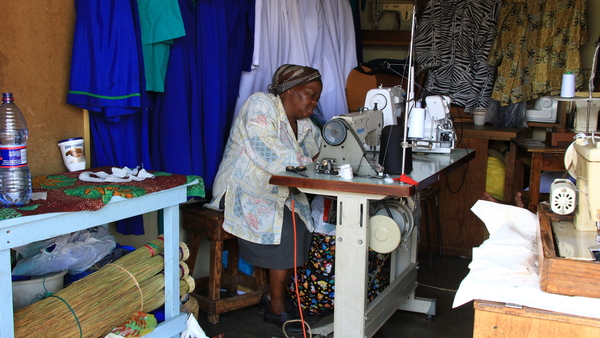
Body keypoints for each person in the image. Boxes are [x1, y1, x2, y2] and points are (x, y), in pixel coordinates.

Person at [207, 64, 323, 332]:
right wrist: (311, 164)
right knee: (284, 225)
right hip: (241, 188)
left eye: (317, 96)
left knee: (303, 220)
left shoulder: (306, 126)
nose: (315, 102)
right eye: (310, 94)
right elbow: (267, 149)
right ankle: (276, 307)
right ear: (290, 91)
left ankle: (273, 295)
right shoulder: (262, 104)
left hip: (278, 190)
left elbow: (321, 153)